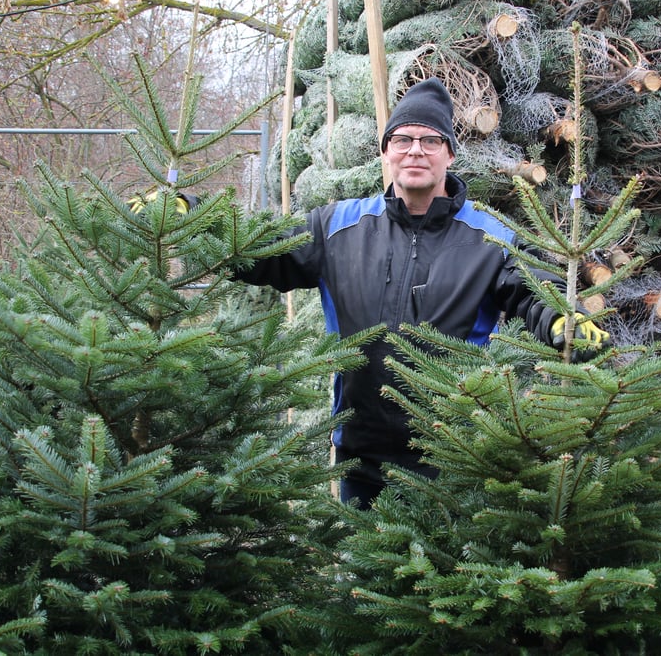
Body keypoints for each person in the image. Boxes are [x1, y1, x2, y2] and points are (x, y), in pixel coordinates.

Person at [234, 77, 608, 509]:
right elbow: (261, 250)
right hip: (361, 448)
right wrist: (190, 218)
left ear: (449, 153)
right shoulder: (337, 226)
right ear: (386, 151)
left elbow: (533, 288)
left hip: (452, 451)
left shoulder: (488, 235)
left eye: (431, 140)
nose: (415, 150)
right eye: (403, 139)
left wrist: (565, 316)